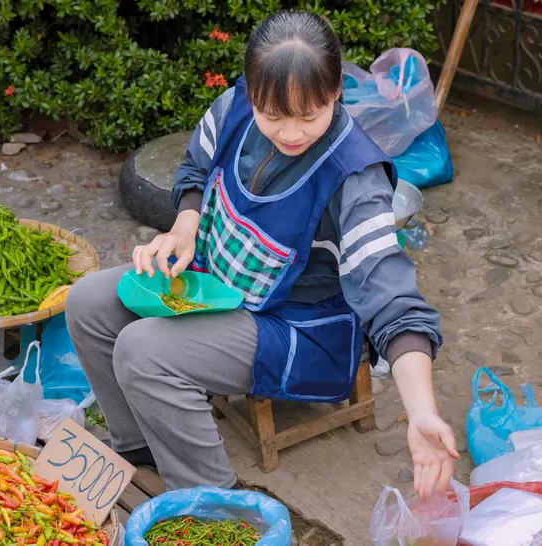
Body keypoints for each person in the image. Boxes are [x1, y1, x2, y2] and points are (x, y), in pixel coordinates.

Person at [66, 10, 457, 500]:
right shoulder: (234, 107)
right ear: (253, 91)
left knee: (143, 351)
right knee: (87, 302)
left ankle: (216, 506)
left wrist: (421, 412)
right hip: (220, 278)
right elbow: (195, 166)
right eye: (273, 115)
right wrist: (186, 227)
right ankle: (141, 450)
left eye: (309, 115)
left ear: (336, 92)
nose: (291, 133)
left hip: (296, 325)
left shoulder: (355, 178)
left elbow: (393, 297)